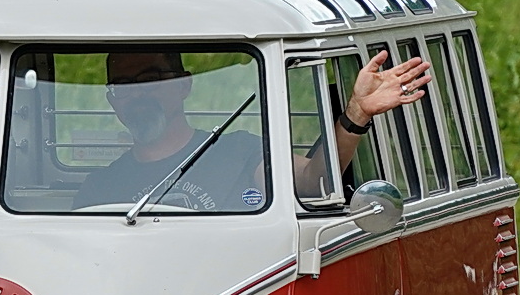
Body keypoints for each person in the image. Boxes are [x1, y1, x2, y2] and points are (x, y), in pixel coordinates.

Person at [71, 49, 431, 210]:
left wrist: (355, 113)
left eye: (149, 80)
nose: (139, 95)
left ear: (183, 85)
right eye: (123, 87)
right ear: (112, 101)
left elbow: (313, 182)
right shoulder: (99, 188)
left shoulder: (240, 152)